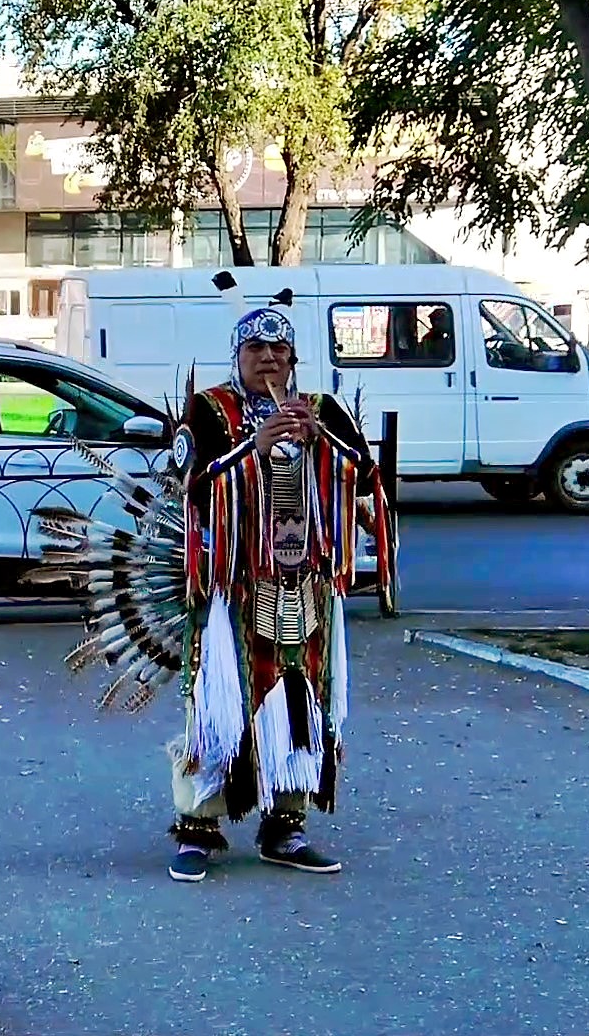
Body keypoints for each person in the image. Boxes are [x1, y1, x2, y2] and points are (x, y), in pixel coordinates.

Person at [163, 306, 394, 883]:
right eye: (256, 349)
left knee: (298, 698)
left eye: (279, 349)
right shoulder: (211, 409)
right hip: (233, 581)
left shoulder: (321, 410)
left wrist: (321, 443)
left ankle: (285, 824)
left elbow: (366, 476)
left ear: (293, 358)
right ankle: (197, 826)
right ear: (237, 357)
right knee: (221, 696)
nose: (268, 358)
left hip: (305, 579)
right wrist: (256, 447)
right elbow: (190, 481)